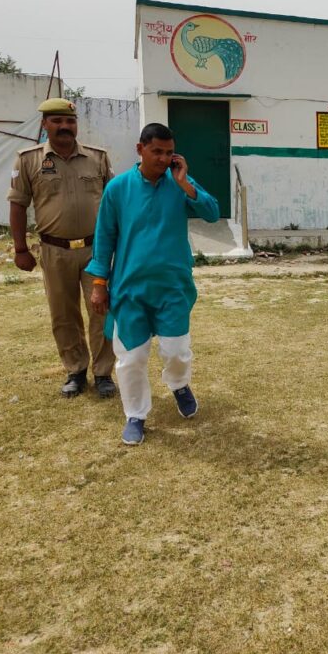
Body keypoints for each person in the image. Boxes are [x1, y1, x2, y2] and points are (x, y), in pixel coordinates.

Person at [86, 122, 219, 445]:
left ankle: (179, 385)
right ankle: (135, 414)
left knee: (176, 351)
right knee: (131, 357)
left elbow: (212, 212)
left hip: (173, 287)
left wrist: (185, 183)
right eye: (156, 151)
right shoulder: (117, 188)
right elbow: (104, 237)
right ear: (140, 149)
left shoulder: (179, 182)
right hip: (129, 288)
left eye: (169, 152)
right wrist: (99, 282)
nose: (163, 158)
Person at [7, 98, 117, 398]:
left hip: (96, 250)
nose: (65, 126)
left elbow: (114, 202)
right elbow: (18, 204)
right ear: (45, 124)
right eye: (57, 121)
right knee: (63, 314)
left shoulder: (97, 158)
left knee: (102, 310)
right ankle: (76, 370)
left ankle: (104, 373)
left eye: (70, 121)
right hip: (54, 250)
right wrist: (20, 248)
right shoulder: (28, 160)